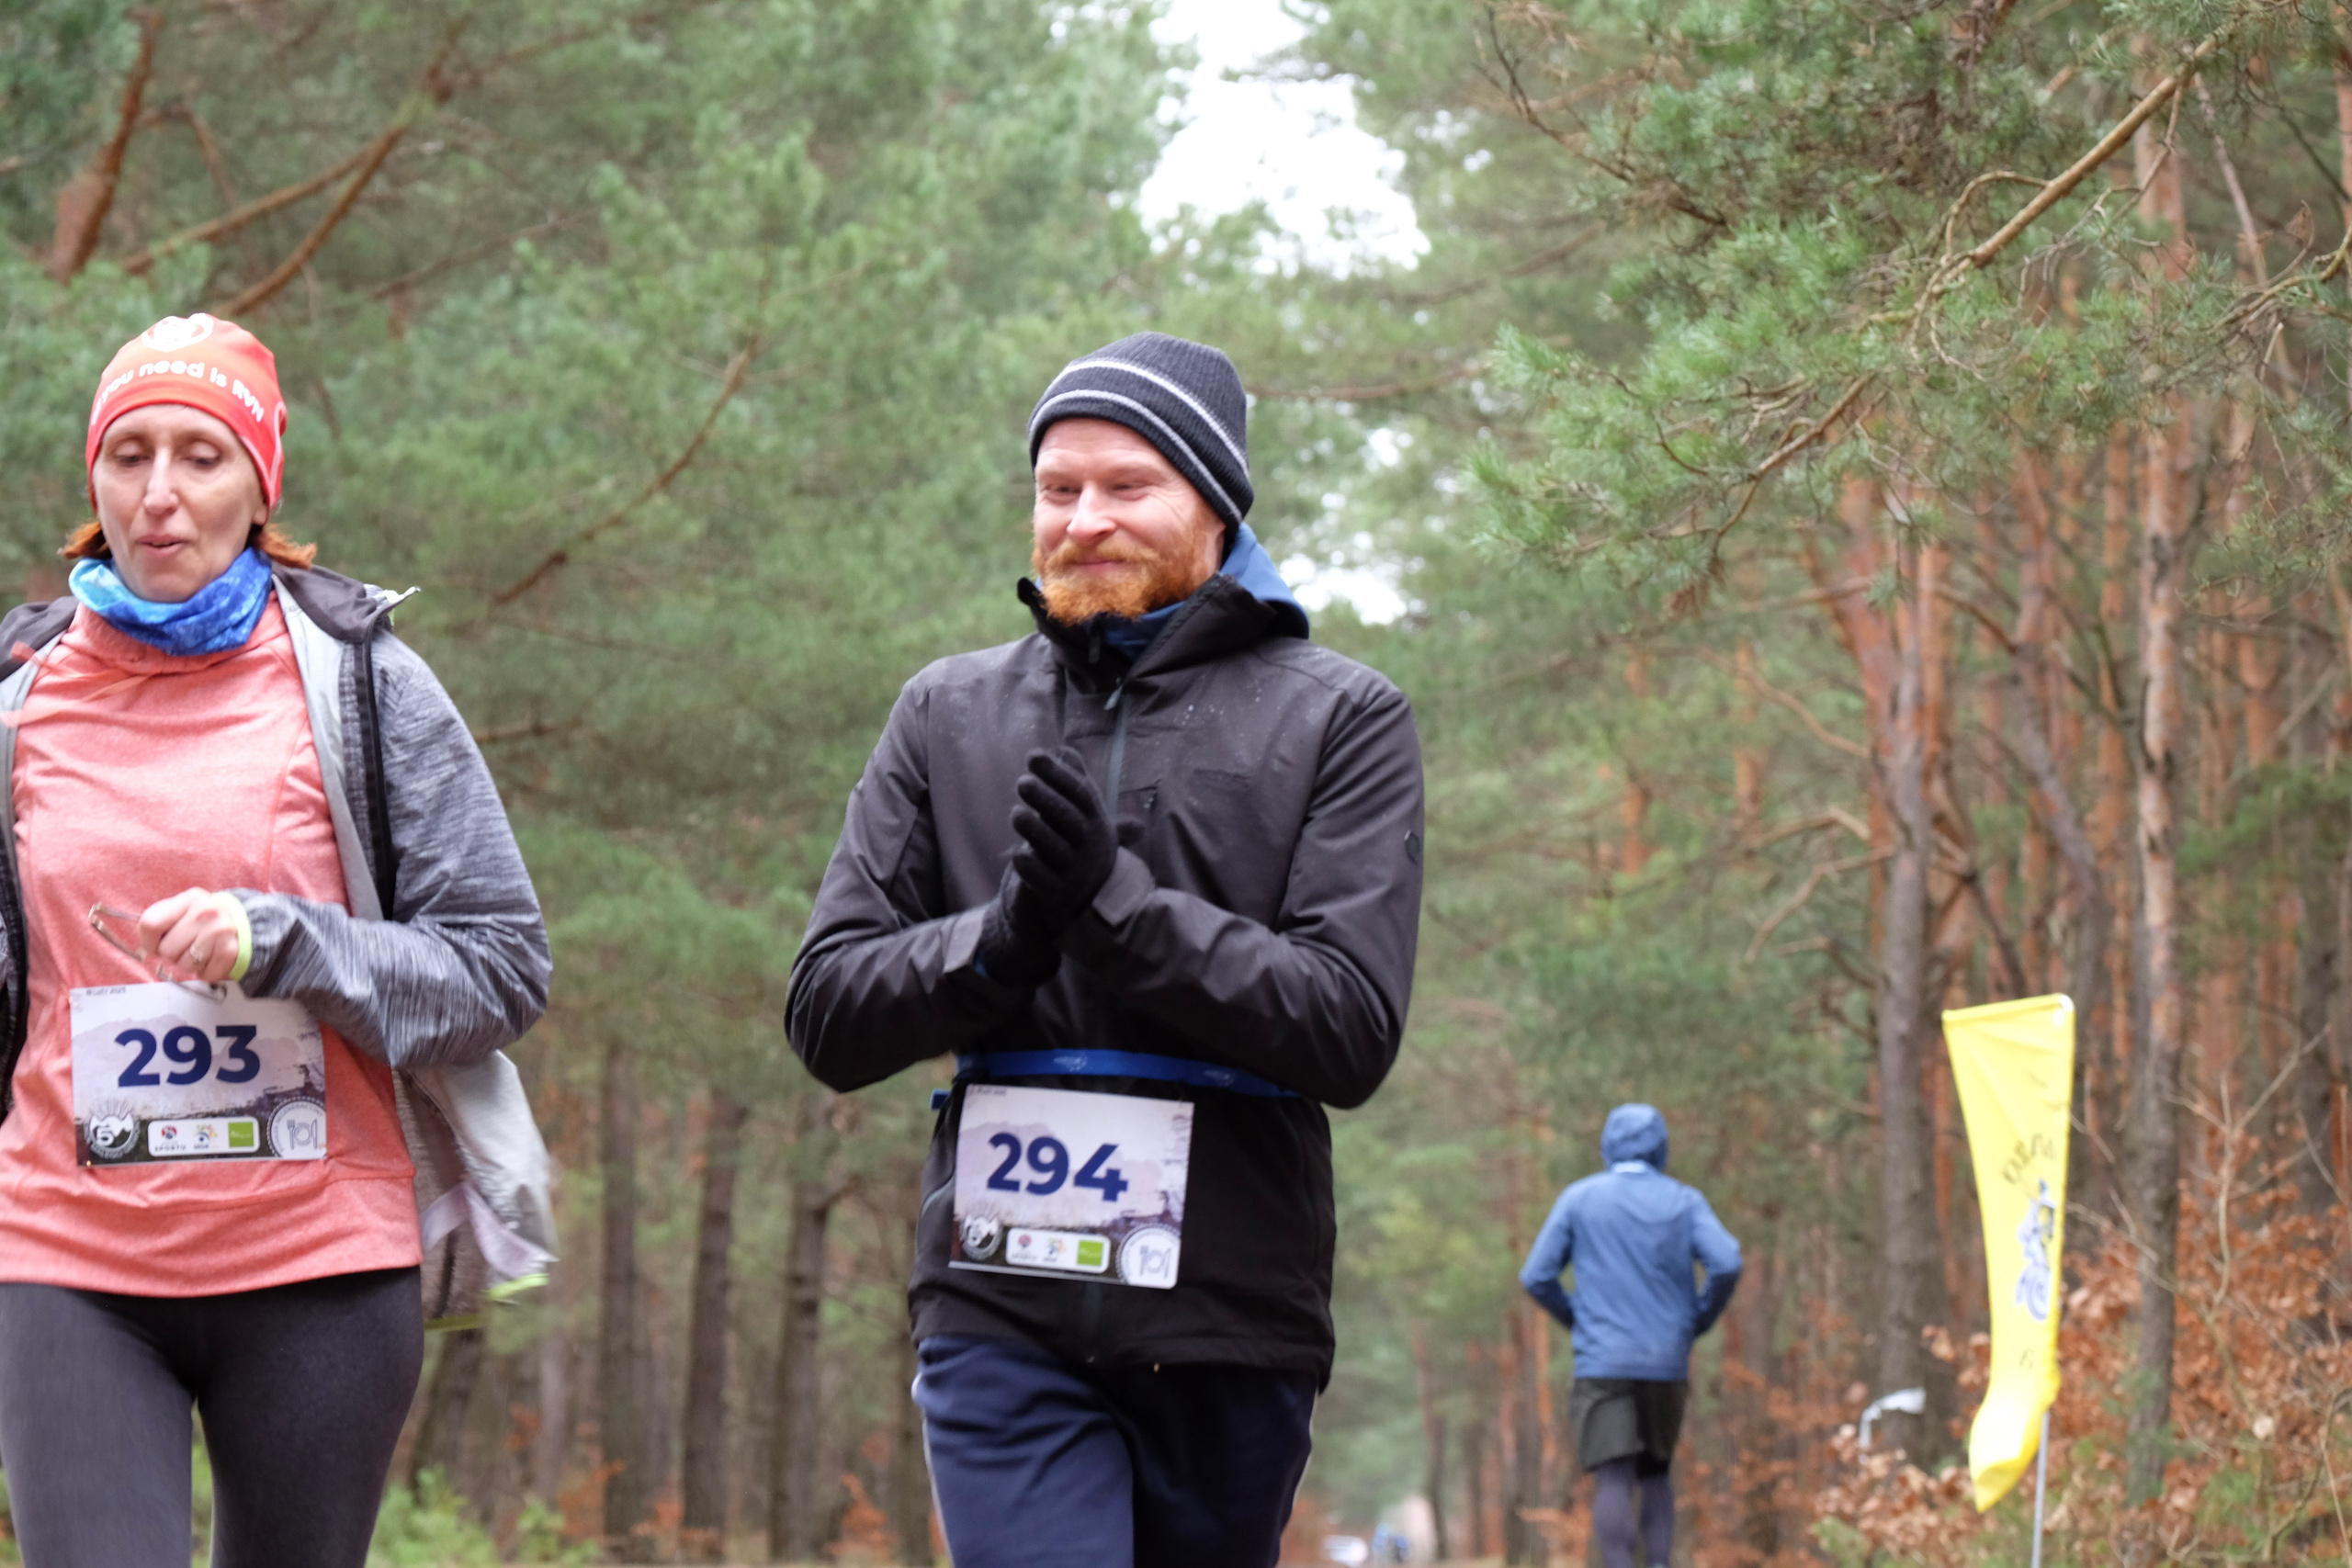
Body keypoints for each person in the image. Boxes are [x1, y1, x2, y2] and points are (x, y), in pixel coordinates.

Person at [787, 332, 1425, 1567]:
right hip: (997, 1302)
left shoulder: (1343, 715)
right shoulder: (946, 710)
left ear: (1214, 500)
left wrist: (1118, 907)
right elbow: (827, 1009)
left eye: (1127, 486)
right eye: (1058, 487)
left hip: (1230, 1314)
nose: (1084, 519)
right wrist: (1010, 930)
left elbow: (1348, 1026)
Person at [0, 313, 552, 1568]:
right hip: (66, 1252)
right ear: (90, 476)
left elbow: (502, 966)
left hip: (316, 1268)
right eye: (128, 452)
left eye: (201, 454)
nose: (158, 494)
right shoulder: (20, 697)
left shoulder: (363, 681)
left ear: (262, 483)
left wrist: (286, 938)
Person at [1521, 1103, 1741, 1568]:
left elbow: (1537, 1275)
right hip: (1666, 1359)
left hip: (1602, 1362)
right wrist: (1696, 1320)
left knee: (1614, 1477)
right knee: (1657, 1472)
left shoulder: (1579, 1199)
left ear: (1606, 1147)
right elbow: (1726, 1261)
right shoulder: (1683, 1200)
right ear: (1661, 1148)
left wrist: (1579, 1320)